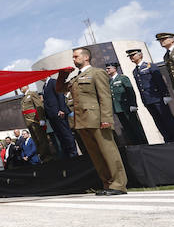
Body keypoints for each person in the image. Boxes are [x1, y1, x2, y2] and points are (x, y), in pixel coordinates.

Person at [57, 47, 127, 195]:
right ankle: (107, 184)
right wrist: (62, 75)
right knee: (96, 155)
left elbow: (105, 97)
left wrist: (107, 119)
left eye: (76, 56)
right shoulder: (75, 78)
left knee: (109, 152)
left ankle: (118, 185)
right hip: (82, 121)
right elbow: (60, 89)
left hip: (97, 120)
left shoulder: (97, 73)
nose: (73, 59)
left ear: (86, 57)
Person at [125, 48, 174, 142]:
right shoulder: (135, 71)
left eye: (133, 55)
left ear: (140, 55)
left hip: (157, 97)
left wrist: (165, 94)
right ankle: (167, 139)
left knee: (167, 118)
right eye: (130, 56)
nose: (131, 57)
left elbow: (159, 81)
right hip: (147, 100)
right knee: (158, 121)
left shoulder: (150, 66)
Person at [105, 63, 148, 145]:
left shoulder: (122, 78)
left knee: (135, 127)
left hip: (127, 107)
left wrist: (133, 104)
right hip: (118, 109)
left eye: (109, 68)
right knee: (127, 128)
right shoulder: (110, 81)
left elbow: (130, 91)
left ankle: (143, 144)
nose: (107, 70)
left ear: (114, 68)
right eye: (106, 69)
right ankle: (135, 145)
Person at [43, 75, 78, 158]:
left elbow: (60, 95)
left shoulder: (53, 82)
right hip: (52, 115)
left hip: (58, 113)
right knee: (60, 135)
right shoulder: (45, 86)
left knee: (66, 133)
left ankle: (73, 153)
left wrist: (62, 109)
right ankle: (67, 153)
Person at [20, 85, 50, 161]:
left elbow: (38, 105)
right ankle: (41, 156)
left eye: (22, 86)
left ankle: (46, 156)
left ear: (27, 86)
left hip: (35, 120)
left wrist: (41, 119)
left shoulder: (32, 94)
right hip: (29, 122)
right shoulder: (23, 98)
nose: (20, 88)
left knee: (41, 139)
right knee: (35, 139)